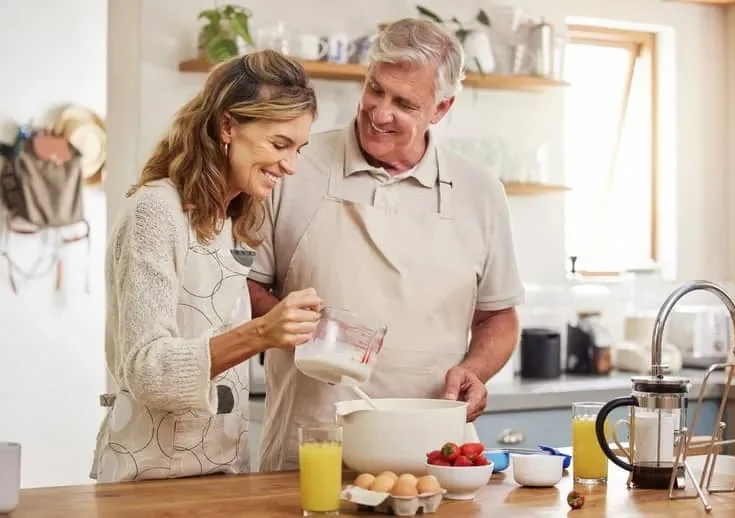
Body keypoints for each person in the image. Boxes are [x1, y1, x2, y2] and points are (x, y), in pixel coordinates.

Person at [248, 18, 525, 472]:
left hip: (435, 455)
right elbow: (245, 287)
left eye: (404, 103)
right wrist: (296, 327)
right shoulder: (294, 167)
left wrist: (475, 369)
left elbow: (498, 316)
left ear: (441, 108)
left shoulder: (480, 191)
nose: (379, 112)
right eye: (375, 90)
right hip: (314, 447)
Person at [90, 50, 322, 483]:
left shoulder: (235, 219)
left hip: (222, 471)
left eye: (298, 149)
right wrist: (262, 332)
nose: (290, 166)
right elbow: (147, 369)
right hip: (149, 480)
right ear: (227, 126)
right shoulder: (155, 213)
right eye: (279, 144)